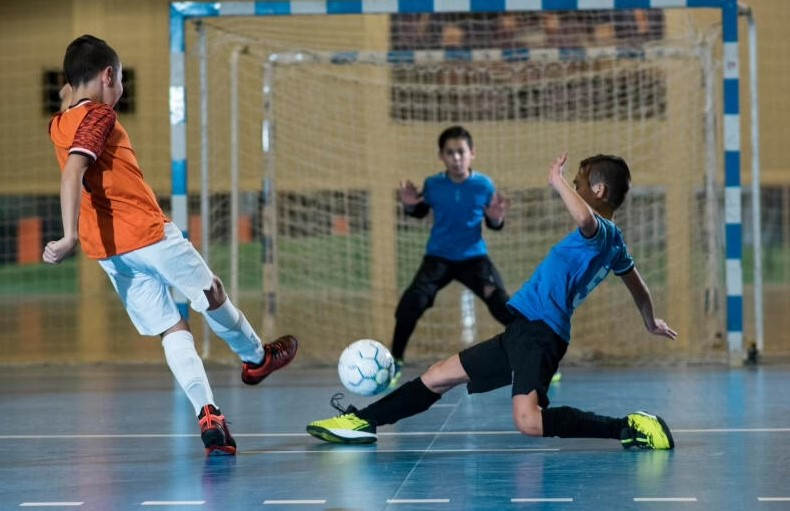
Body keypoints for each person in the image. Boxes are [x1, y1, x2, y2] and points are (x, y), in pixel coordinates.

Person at [307, 152, 677, 450]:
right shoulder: (616, 244)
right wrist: (650, 319)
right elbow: (638, 285)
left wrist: (557, 182)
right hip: (524, 331)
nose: (575, 186)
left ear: (597, 189)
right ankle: (363, 422)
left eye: (580, 182)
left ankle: (629, 428)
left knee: (528, 421)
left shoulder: (599, 232)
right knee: (438, 376)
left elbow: (584, 219)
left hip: (540, 334)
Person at [44, 35, 298, 456]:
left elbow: (68, 93)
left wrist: (79, 237)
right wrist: (66, 234)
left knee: (171, 329)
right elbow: (73, 171)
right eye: (120, 78)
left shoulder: (58, 122)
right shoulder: (100, 117)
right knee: (211, 293)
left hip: (110, 253)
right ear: (108, 76)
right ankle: (256, 357)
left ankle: (209, 415)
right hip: (147, 234)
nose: (121, 87)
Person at [390, 125, 514, 387]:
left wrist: (496, 218)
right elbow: (419, 212)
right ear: (441, 156)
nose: (456, 158)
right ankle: (395, 362)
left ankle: (536, 358)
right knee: (410, 304)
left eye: (461, 152)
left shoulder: (483, 185)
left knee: (505, 305)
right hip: (439, 258)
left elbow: (494, 222)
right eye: (450, 153)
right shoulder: (433, 185)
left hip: (474, 259)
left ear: (472, 154)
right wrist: (410, 205)